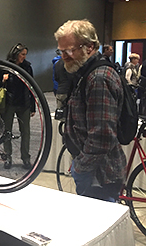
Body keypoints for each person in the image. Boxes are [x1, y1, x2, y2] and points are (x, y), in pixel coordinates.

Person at [54, 19, 126, 202]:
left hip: (100, 176)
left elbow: (102, 136)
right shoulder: (85, 72)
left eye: (70, 50)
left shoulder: (99, 78)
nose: (64, 56)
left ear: (90, 46)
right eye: (61, 51)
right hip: (95, 172)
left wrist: (80, 167)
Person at [0, 43, 35, 169]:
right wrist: (3, 81)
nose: (24, 57)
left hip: (24, 104)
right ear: (15, 54)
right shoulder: (4, 67)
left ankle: (26, 158)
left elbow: (32, 88)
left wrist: (32, 107)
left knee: (26, 132)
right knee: (7, 132)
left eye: (25, 54)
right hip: (8, 104)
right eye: (22, 54)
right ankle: (7, 157)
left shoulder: (27, 67)